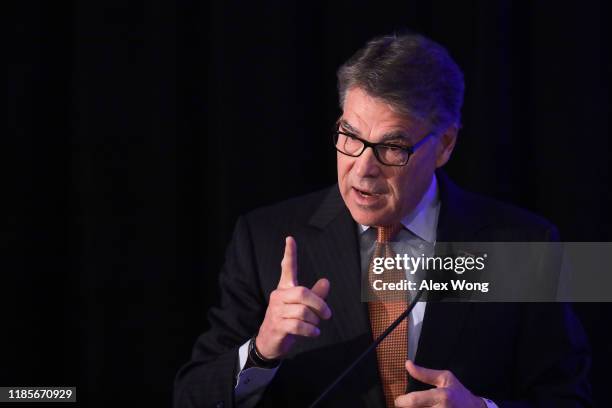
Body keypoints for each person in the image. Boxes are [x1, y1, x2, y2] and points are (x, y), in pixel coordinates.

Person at [174, 32, 591, 407]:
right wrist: (262, 350)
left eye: (392, 147)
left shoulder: (523, 246)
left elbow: (569, 399)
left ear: (445, 145)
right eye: (350, 136)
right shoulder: (265, 238)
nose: (361, 169)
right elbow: (191, 397)